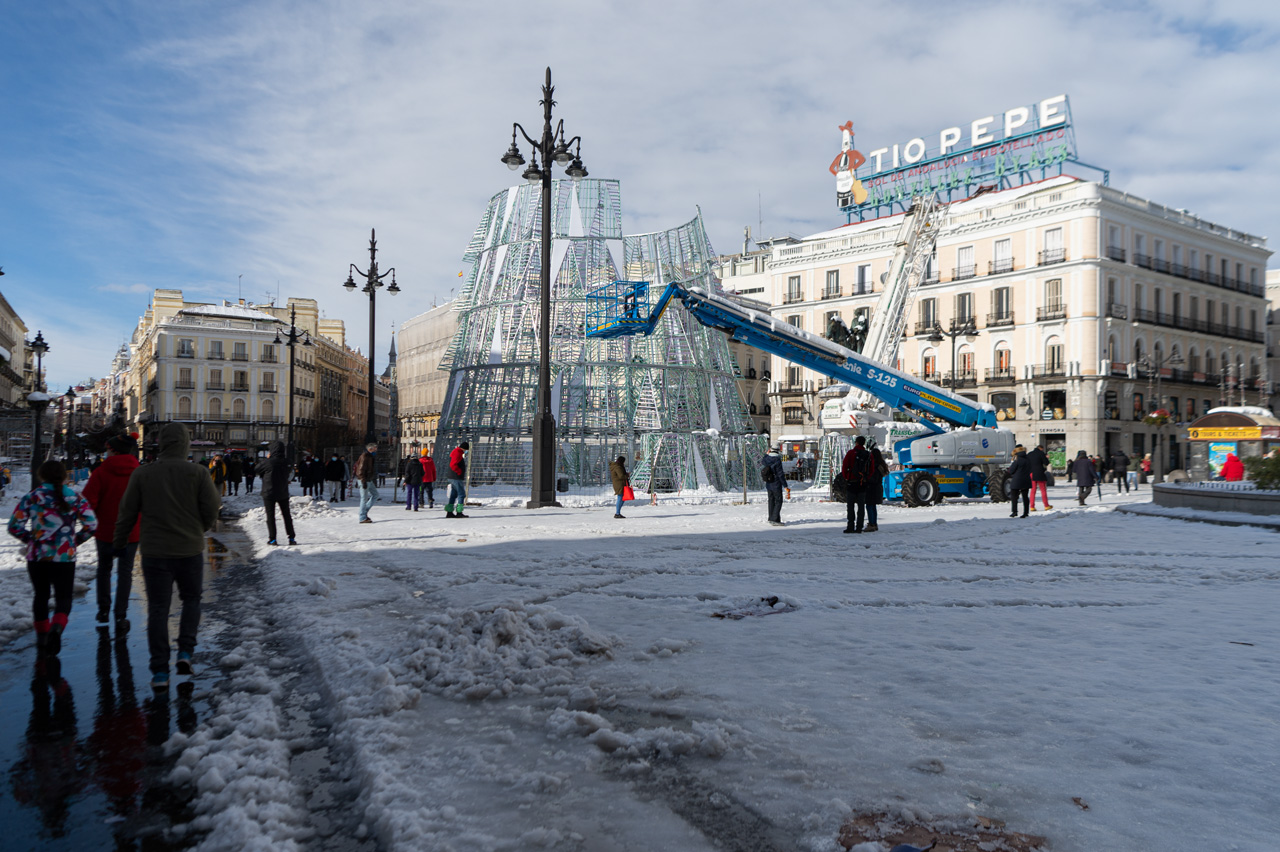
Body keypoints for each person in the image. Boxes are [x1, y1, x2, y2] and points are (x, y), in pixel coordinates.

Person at [114, 422, 220, 689]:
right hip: (189, 550)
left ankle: (160, 671)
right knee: (192, 600)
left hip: (154, 551)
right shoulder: (198, 473)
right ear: (185, 444)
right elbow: (211, 508)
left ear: (160, 443)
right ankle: (185, 651)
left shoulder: (143, 474)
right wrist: (199, 528)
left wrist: (119, 542)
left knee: (158, 609)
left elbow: (127, 512)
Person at [8, 460, 98, 655]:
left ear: (42, 475)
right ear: (64, 476)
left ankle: (42, 637)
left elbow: (14, 526)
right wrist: (74, 541)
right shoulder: (75, 497)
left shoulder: (32, 497)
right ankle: (56, 629)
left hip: (37, 556)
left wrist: (32, 540)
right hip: (64, 557)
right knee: (63, 597)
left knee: (41, 596)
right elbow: (91, 525)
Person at [82, 434, 141, 629]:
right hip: (131, 531)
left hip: (105, 531)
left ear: (113, 450)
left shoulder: (101, 472)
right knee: (125, 572)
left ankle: (103, 610)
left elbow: (88, 502)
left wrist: (91, 521)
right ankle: (121, 614)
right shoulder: (139, 473)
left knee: (104, 569)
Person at [257, 440, 296, 545]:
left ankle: (273, 539)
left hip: (269, 492)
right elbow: (290, 471)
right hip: (283, 491)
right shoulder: (288, 462)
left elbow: (257, 469)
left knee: (270, 516)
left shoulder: (268, 462)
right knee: (287, 515)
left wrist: (268, 459)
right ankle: (291, 538)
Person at [841, 436, 873, 533]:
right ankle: (859, 526)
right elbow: (871, 469)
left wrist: (847, 477)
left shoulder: (851, 453)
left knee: (850, 506)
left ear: (856, 443)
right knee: (861, 506)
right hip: (862, 483)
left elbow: (844, 466)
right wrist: (865, 478)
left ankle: (850, 526)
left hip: (852, 482)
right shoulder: (868, 454)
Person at [761, 447, 787, 526]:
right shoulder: (777, 460)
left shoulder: (766, 459)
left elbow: (762, 461)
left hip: (769, 483)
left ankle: (771, 518)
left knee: (771, 501)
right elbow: (780, 474)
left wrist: (766, 454)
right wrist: (785, 485)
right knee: (778, 501)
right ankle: (774, 519)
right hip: (776, 483)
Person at [865, 445, 889, 532]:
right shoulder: (881, 465)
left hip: (872, 488)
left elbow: (873, 478)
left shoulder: (874, 466)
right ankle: (874, 523)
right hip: (878, 488)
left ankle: (871, 524)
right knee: (873, 506)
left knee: (869, 506)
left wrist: (866, 479)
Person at [354, 443, 379, 523]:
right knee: (364, 498)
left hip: (369, 479)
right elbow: (360, 470)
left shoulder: (370, 457)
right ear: (370, 449)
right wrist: (363, 480)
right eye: (375, 448)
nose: (376, 450)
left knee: (375, 495)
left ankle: (364, 512)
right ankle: (362, 517)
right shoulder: (365, 456)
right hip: (364, 480)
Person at [445, 442, 470, 519]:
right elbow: (453, 464)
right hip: (456, 477)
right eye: (466, 450)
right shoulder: (457, 453)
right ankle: (459, 512)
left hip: (453, 476)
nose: (466, 451)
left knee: (453, 494)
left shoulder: (456, 452)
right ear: (464, 448)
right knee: (461, 494)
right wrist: (459, 472)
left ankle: (449, 512)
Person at [1005, 445, 1032, 518]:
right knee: (1025, 497)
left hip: (1017, 480)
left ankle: (1014, 512)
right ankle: (1026, 512)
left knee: (1014, 496)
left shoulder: (1017, 460)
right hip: (1026, 479)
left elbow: (1011, 471)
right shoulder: (1028, 459)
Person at [1027, 444, 1052, 511]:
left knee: (1033, 490)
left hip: (1031, 473)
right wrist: (1046, 458)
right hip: (1039, 473)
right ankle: (1046, 505)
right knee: (1043, 490)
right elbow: (1046, 463)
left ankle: (1032, 506)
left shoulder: (1029, 454)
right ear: (1041, 448)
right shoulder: (1041, 453)